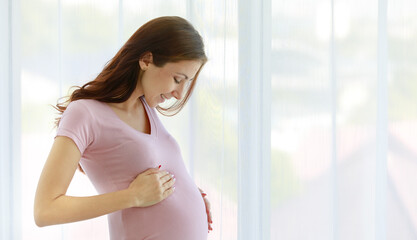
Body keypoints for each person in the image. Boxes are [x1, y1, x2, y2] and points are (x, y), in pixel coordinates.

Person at [34, 16, 213, 240]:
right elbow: (45, 210)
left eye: (188, 82)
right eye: (178, 79)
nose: (180, 93)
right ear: (146, 60)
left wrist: (187, 194)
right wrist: (133, 196)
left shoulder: (147, 107)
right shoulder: (84, 113)